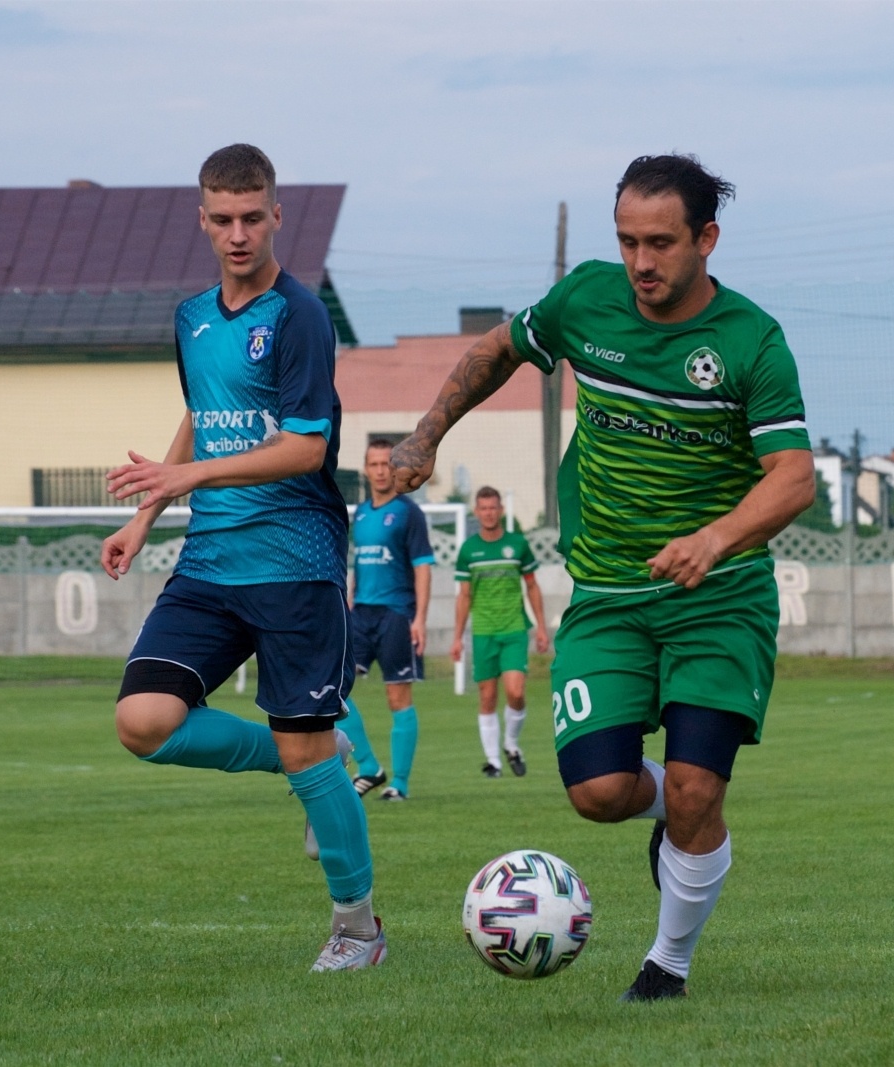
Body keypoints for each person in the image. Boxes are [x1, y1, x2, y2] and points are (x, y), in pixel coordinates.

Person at [390, 153, 814, 1001]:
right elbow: (498, 348)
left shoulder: (750, 341)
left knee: (698, 785)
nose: (641, 262)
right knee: (599, 791)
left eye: (660, 242)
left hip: (716, 600)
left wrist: (717, 537)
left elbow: (794, 476)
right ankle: (676, 821)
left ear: (707, 239)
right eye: (627, 241)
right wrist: (427, 432)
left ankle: (668, 966)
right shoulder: (586, 299)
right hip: (609, 597)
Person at [100, 144, 383, 972]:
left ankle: (358, 928)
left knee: (302, 742)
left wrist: (185, 475)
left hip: (295, 563)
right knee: (142, 721)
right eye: (221, 219)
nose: (237, 233)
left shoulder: (300, 316)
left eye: (251, 217)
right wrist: (148, 514)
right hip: (209, 561)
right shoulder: (190, 317)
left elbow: (304, 448)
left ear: (275, 217)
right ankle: (317, 761)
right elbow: (202, 415)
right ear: (202, 219)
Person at [341, 439, 435, 801]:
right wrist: (350, 597)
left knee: (398, 697)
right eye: (374, 464)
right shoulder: (361, 513)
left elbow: (423, 567)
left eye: (386, 464)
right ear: (366, 469)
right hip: (360, 612)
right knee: (335, 692)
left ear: (394, 469)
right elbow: (359, 562)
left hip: (397, 614)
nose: (380, 470)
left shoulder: (409, 513)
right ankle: (368, 767)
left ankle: (401, 784)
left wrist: (420, 619)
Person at [450, 485, 550, 778]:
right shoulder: (469, 550)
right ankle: (493, 761)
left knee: (516, 693)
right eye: (483, 508)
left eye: (493, 507)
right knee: (487, 696)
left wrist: (542, 627)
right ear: (476, 512)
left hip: (514, 629)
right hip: (483, 632)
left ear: (500, 510)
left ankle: (511, 743)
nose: (489, 512)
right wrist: (457, 638)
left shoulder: (517, 545)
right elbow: (464, 596)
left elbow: (532, 585)